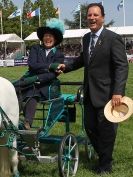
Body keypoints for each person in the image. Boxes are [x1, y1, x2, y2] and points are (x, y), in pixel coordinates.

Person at [57, 3, 128, 174]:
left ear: (102, 17)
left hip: (109, 95)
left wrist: (118, 91)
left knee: (106, 131)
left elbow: (122, 66)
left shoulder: (112, 38)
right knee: (89, 127)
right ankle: (104, 156)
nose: (92, 18)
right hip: (90, 93)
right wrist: (66, 67)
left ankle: (105, 165)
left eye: (96, 15)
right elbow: (83, 60)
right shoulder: (86, 38)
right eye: (89, 15)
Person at [17, 18, 65, 130]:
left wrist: (38, 77)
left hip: (47, 85)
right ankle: (12, 117)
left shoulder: (59, 54)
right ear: (42, 38)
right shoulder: (35, 48)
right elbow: (32, 64)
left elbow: (53, 75)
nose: (48, 38)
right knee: (13, 89)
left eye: (50, 36)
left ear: (55, 39)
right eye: (46, 36)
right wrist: (49, 66)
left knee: (32, 92)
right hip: (29, 79)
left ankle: (27, 123)